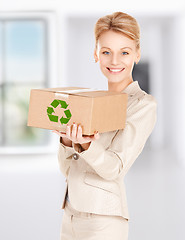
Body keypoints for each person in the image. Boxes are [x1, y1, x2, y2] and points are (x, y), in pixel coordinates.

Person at [52, 11, 157, 240]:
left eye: (125, 52)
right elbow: (67, 169)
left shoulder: (142, 105)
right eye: (106, 52)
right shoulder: (91, 102)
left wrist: (87, 146)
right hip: (70, 213)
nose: (115, 61)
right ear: (96, 54)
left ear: (137, 54)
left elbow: (115, 168)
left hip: (103, 221)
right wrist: (69, 141)